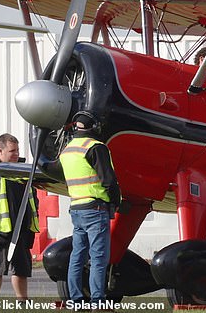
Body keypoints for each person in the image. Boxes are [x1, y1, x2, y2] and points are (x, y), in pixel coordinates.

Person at [59, 111, 121, 306]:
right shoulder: (95, 147)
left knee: (77, 256)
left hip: (76, 208)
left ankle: (76, 300)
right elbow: (108, 181)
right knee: (98, 257)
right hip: (95, 209)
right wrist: (116, 201)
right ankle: (97, 301)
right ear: (93, 127)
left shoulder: (67, 150)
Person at [0, 133, 39, 300]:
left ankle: (22, 300)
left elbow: (33, 196)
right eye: (12, 151)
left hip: (23, 227)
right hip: (1, 229)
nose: (16, 154)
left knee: (22, 268)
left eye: (17, 150)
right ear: (0, 151)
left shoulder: (24, 171)